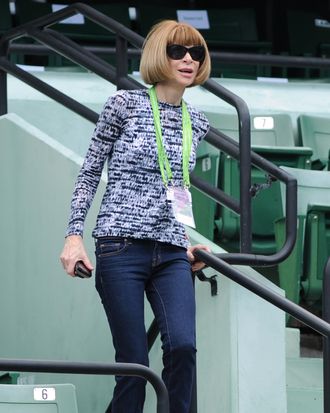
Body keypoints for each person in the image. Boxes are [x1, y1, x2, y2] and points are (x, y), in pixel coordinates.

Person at [60, 19, 212, 413]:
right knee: (134, 366)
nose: (188, 59)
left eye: (196, 52)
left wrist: (187, 239)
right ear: (158, 55)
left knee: (183, 348)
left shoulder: (198, 122)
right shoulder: (123, 105)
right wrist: (73, 235)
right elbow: (90, 170)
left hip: (172, 252)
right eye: (177, 50)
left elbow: (176, 186)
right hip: (120, 248)